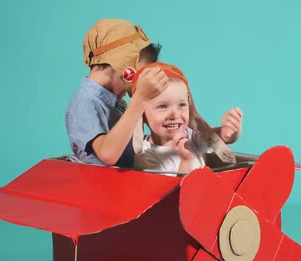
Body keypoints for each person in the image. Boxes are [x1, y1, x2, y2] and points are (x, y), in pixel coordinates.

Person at [65, 19, 168, 167]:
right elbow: (108, 155)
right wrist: (140, 99)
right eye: (138, 76)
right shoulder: (85, 102)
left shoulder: (116, 103)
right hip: (100, 185)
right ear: (123, 65)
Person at [133, 63, 243, 173]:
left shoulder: (190, 137)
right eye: (162, 106)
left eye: (182, 105)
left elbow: (219, 140)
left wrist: (230, 131)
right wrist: (186, 161)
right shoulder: (146, 158)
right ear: (142, 114)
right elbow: (176, 190)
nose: (174, 115)